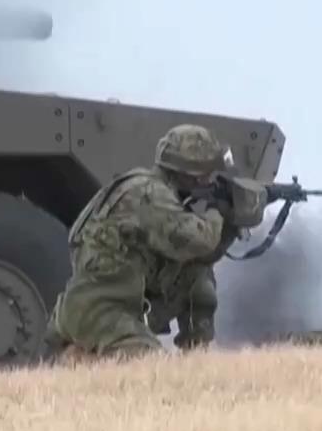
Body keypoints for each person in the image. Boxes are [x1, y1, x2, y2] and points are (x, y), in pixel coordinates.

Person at [44, 124, 230, 356]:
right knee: (153, 367)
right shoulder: (150, 193)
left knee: (197, 273)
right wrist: (217, 210)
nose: (209, 181)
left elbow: (197, 257)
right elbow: (202, 241)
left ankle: (196, 351)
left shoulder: (138, 184)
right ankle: (84, 355)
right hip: (102, 311)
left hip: (97, 306)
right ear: (190, 176)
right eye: (206, 177)